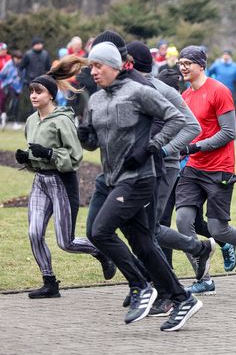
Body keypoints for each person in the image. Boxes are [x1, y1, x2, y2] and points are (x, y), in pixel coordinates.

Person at [78, 41, 203, 331]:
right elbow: (93, 144)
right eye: (91, 67)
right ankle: (183, 299)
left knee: (100, 231)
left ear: (115, 66)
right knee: (144, 245)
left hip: (140, 179)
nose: (93, 72)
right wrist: (84, 135)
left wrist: (152, 146)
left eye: (98, 66)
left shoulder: (140, 92)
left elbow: (176, 119)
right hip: (112, 179)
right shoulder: (96, 100)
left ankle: (141, 285)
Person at [176, 45, 236, 294]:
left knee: (217, 229)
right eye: (180, 63)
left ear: (201, 65)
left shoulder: (219, 91)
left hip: (219, 169)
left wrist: (195, 147)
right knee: (183, 221)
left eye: (188, 62)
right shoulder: (185, 97)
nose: (183, 67)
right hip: (193, 168)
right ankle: (204, 279)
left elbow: (229, 132)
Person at [127, 41, 220, 307]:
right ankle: (194, 252)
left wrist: (164, 149)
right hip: (138, 167)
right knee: (145, 227)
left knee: (149, 229)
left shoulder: (161, 89)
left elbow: (192, 126)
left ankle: (164, 291)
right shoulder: (127, 89)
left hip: (165, 167)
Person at [16, 57, 115, 299]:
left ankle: (102, 252)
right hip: (41, 182)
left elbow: (74, 158)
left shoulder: (62, 120)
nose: (33, 96)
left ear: (50, 95)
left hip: (62, 182)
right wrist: (27, 158)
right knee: (33, 233)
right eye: (31, 92)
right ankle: (50, 282)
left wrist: (49, 153)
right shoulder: (31, 121)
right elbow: (35, 154)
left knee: (66, 242)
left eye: (38, 92)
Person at [1, 50, 23, 129]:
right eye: (17, 58)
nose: (18, 60)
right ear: (13, 58)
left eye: (20, 58)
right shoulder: (8, 65)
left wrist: (20, 87)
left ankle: (15, 122)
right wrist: (3, 85)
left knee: (16, 105)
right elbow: (1, 75)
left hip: (17, 87)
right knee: (9, 102)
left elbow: (22, 77)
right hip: (8, 86)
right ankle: (4, 117)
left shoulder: (21, 66)